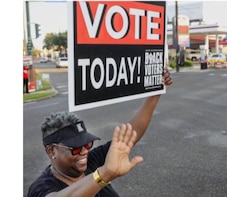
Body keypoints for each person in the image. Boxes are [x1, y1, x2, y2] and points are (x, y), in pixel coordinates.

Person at [27, 68, 173, 197]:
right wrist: (104, 174)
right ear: (51, 150)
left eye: (87, 144)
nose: (84, 151)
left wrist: (156, 93)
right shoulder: (41, 188)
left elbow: (132, 133)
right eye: (75, 148)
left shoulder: (92, 161)